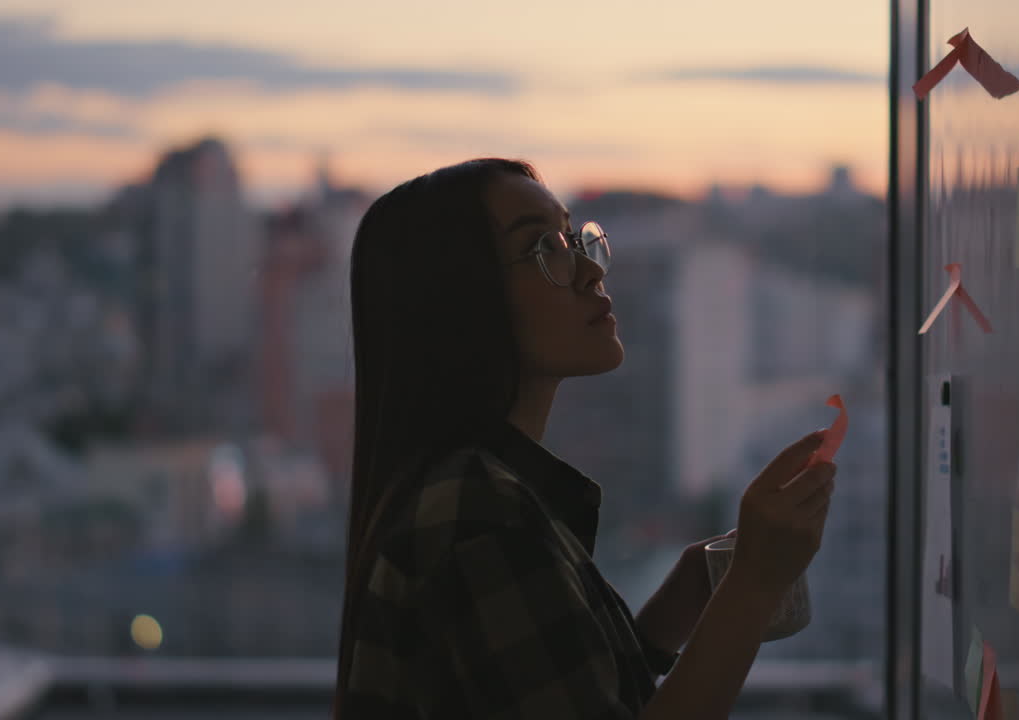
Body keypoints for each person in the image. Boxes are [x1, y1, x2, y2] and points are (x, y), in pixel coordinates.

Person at [334, 158, 838, 719]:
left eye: (573, 239)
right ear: (458, 300)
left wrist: (667, 618)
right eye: (542, 249)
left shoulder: (472, 492)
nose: (589, 271)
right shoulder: (477, 512)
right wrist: (752, 586)